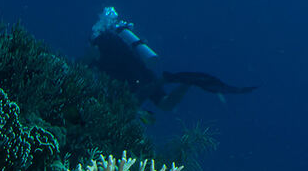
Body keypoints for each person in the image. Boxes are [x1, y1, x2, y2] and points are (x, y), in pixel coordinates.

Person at [90, 7, 257, 107]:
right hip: (136, 78)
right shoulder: (134, 61)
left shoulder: (104, 50)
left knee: (131, 100)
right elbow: (166, 104)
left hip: (127, 86)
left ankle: (171, 81)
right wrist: (186, 83)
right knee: (142, 98)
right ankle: (178, 81)